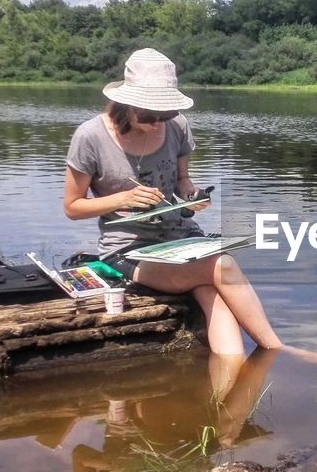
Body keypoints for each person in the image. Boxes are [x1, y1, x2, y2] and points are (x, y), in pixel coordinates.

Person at [64, 48, 291, 357]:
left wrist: (191, 197)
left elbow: (183, 181)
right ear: (125, 103)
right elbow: (72, 207)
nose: (158, 123)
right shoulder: (89, 136)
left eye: (165, 114)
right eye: (148, 115)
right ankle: (276, 351)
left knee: (213, 295)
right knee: (220, 265)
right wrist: (122, 198)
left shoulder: (178, 126)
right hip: (129, 251)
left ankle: (233, 388)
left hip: (183, 241)